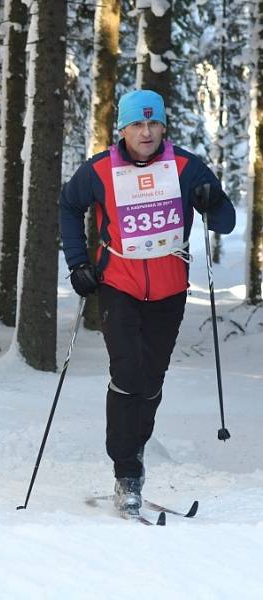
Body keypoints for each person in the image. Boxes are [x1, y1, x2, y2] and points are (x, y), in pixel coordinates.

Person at [59, 89, 235, 515]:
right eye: (138, 123)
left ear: (164, 127)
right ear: (123, 127)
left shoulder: (186, 167)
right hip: (118, 285)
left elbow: (225, 222)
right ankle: (127, 472)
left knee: (152, 380)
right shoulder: (101, 170)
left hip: (170, 291)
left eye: (154, 124)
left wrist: (212, 200)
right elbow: (68, 204)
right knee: (128, 372)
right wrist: (78, 262)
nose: (146, 132)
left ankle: (133, 453)